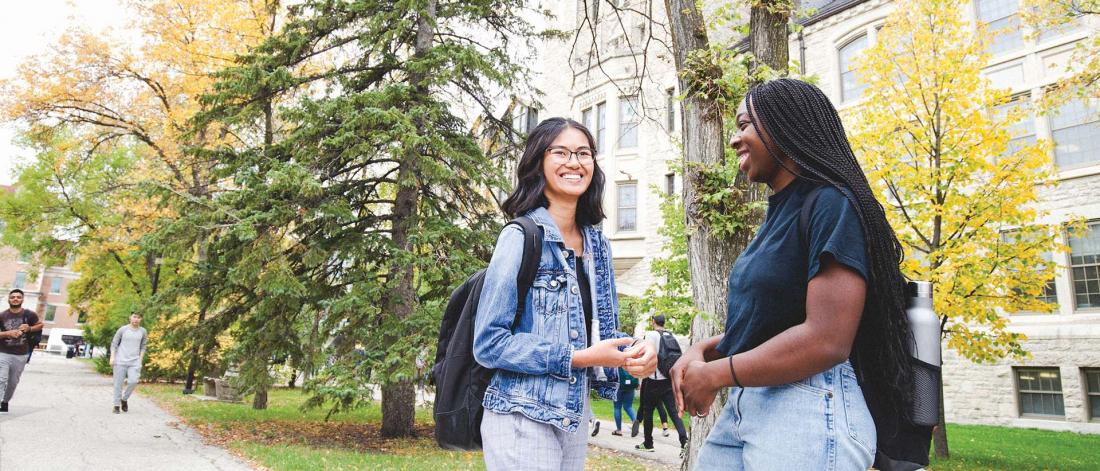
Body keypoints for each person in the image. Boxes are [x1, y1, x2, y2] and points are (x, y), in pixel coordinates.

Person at [671, 78, 917, 470]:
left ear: (783, 126)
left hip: (809, 404)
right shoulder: (783, 211)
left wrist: (715, 374)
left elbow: (826, 339)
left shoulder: (832, 202)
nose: (735, 139)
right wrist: (703, 351)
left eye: (745, 124)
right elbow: (775, 321)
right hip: (748, 403)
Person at [473, 117, 657, 470]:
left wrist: (637, 351)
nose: (574, 162)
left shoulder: (597, 244)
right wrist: (580, 358)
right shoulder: (520, 236)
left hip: (574, 415)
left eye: (583, 153)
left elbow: (596, 334)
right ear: (538, 162)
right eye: (561, 152)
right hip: (521, 413)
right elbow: (489, 343)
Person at [636, 315, 687, 451]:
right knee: (673, 412)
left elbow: (645, 354)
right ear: (664, 322)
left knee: (648, 412)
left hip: (653, 380)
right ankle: (684, 441)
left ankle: (648, 443)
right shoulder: (671, 335)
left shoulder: (651, 334)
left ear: (653, 322)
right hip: (667, 380)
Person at [0, 289, 43, 413]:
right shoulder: (2, 316)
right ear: (9, 299)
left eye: (18, 297)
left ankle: (5, 401)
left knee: (13, 381)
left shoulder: (29, 314)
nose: (15, 299)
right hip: (3, 352)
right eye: (13, 297)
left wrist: (29, 328)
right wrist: (7, 333)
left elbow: (40, 325)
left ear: (22, 299)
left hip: (21, 354)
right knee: (1, 379)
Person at [110, 313, 148, 414]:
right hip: (120, 361)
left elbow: (143, 346)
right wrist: (112, 357)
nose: (136, 319)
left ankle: (124, 399)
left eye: (138, 317)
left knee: (133, 381)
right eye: (134, 317)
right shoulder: (123, 329)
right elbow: (114, 344)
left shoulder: (143, 331)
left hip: (134, 361)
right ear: (130, 317)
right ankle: (116, 405)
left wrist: (140, 360)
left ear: (141, 319)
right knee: (118, 384)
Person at [611, 366, 637, 436]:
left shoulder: (616, 358)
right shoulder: (631, 356)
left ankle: (619, 430)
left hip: (618, 385)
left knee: (617, 407)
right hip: (631, 384)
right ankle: (635, 420)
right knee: (628, 406)